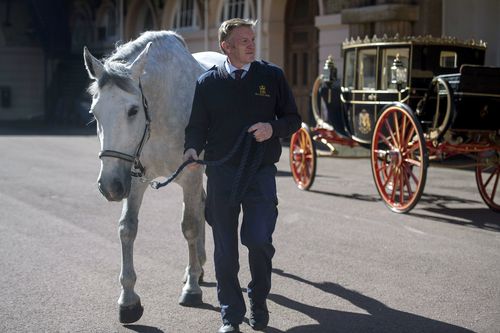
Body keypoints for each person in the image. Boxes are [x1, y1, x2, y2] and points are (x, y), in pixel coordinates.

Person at [183, 18, 301, 333]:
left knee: (259, 240)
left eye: (252, 39)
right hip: (222, 174)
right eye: (244, 40)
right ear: (226, 46)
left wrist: (272, 128)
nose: (252, 45)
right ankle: (230, 316)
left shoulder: (272, 76)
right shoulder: (207, 83)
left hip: (259, 172)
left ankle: (258, 301)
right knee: (225, 249)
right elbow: (196, 126)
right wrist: (192, 150)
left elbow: (294, 119)